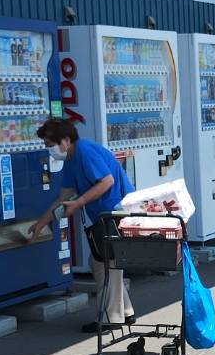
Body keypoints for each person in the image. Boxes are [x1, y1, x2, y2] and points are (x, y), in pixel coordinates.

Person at [28, 117, 135, 332]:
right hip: (105, 216)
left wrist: (79, 202)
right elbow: (62, 199)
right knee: (103, 262)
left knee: (105, 262)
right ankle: (125, 311)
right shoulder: (70, 160)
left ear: (66, 140)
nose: (49, 150)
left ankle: (111, 318)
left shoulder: (84, 151)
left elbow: (107, 181)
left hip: (117, 211)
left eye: (51, 144)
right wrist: (41, 224)